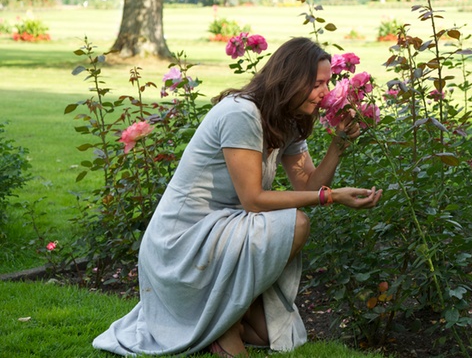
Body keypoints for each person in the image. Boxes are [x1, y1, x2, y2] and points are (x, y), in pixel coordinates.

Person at [93, 37, 383, 357]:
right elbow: (254, 200)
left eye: (328, 82)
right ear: (291, 79)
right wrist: (330, 197)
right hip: (182, 241)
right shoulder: (242, 113)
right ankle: (225, 325)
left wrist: (339, 143)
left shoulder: (287, 120)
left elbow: (305, 186)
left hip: (224, 233)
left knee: (264, 336)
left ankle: (229, 316)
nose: (326, 92)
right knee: (297, 223)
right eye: (317, 83)